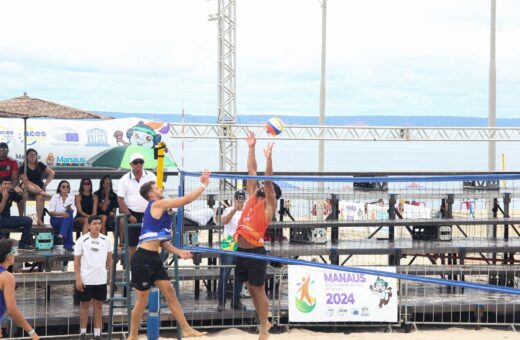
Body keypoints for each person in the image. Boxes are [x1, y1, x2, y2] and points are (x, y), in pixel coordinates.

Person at [128, 171, 211, 340]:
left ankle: (186, 329)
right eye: (157, 187)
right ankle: (133, 336)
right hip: (142, 257)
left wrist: (179, 252)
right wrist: (203, 184)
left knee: (170, 292)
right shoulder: (157, 204)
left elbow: (162, 242)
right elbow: (185, 200)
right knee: (142, 300)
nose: (161, 188)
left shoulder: (160, 210)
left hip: (153, 258)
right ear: (151, 193)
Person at [233, 131, 281, 340]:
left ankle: (264, 326)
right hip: (242, 250)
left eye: (265, 187)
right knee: (251, 288)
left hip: (256, 252)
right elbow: (252, 170)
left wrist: (268, 159)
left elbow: (268, 181)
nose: (261, 187)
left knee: (259, 290)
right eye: (260, 186)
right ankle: (264, 320)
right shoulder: (253, 196)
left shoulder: (270, 204)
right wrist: (251, 147)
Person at [74, 215, 112, 340]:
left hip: (100, 278)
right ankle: (83, 333)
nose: (97, 226)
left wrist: (111, 276)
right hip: (86, 279)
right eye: (94, 223)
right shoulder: (82, 240)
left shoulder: (106, 240)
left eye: (99, 224)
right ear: (89, 226)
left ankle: (97, 333)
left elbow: (110, 259)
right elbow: (76, 261)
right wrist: (78, 279)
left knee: (99, 306)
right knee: (84, 305)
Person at [117, 153, 156, 262]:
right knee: (132, 245)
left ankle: (148, 272)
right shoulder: (124, 179)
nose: (138, 164)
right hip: (132, 214)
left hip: (149, 213)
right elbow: (120, 199)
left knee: (150, 243)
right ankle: (132, 274)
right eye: (135, 162)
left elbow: (158, 193)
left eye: (140, 162)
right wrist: (129, 215)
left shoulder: (151, 176)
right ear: (131, 164)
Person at [0, 239, 39, 339]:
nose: (15, 255)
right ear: (8, 256)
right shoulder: (7, 277)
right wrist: (31, 331)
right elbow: (12, 309)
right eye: (14, 252)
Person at [217, 189, 246, 311]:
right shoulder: (228, 210)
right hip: (228, 245)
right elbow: (223, 221)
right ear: (234, 199)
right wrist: (234, 208)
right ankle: (221, 302)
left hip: (242, 245)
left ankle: (236, 301)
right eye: (238, 199)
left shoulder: (247, 211)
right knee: (225, 274)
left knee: (240, 275)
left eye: (242, 199)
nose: (240, 201)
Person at [19, 148, 55, 225]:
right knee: (27, 185)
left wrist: (45, 184)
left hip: (39, 189)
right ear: (27, 156)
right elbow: (25, 180)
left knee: (40, 197)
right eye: (31, 155)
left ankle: (39, 220)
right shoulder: (23, 167)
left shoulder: (40, 165)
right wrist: (36, 187)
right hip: (27, 186)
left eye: (35, 155)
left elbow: (52, 172)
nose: (33, 156)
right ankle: (50, 196)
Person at [0, 178, 34, 250]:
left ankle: (23, 244)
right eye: (5, 184)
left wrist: (24, 190)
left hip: (6, 219)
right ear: (1, 185)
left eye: (9, 184)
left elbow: (22, 201)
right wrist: (4, 199)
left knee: (28, 220)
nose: (7, 185)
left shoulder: (11, 192)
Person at [48, 180, 75, 251]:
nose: (66, 188)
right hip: (55, 219)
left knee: (69, 216)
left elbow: (73, 210)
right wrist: (61, 214)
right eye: (63, 187)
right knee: (69, 219)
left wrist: (69, 209)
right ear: (59, 188)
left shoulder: (71, 197)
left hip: (66, 219)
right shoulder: (55, 197)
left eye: (67, 187)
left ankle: (61, 236)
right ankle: (68, 245)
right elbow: (51, 212)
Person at [0, 142, 23, 214]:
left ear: (8, 151)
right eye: (1, 150)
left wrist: (11, 188)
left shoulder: (12, 162)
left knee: (21, 197)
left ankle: (21, 217)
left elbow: (14, 178)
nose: (4, 152)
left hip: (9, 184)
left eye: (6, 150)